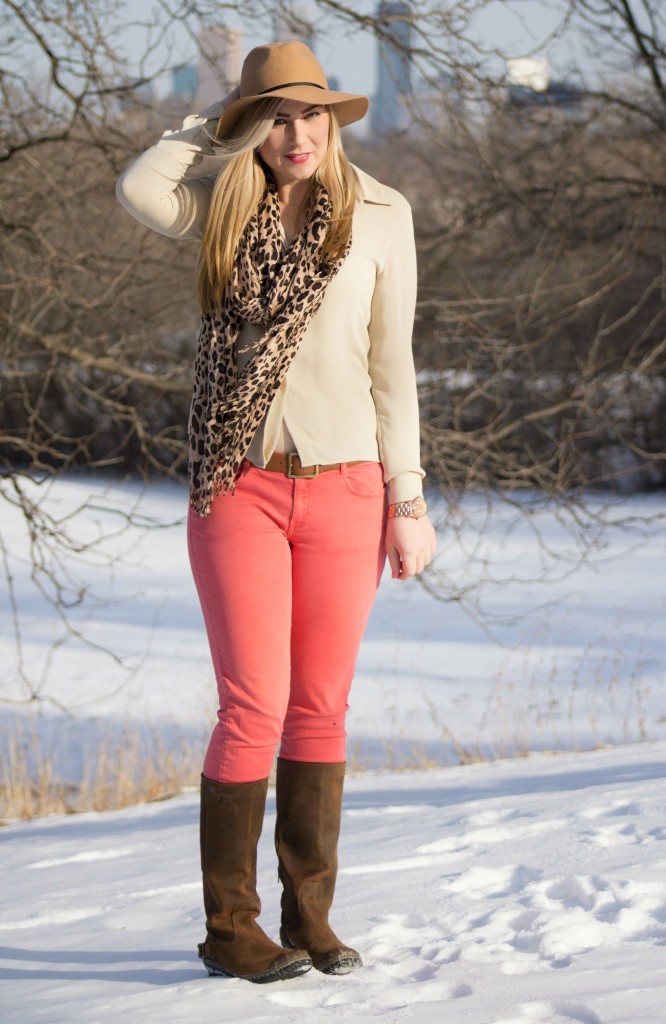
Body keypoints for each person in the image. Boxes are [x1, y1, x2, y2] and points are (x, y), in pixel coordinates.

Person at [116, 40, 436, 984]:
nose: (296, 134)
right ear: (253, 124)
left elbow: (394, 367)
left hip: (348, 486)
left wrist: (407, 500)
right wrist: (212, 122)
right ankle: (232, 929)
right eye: (275, 116)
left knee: (320, 706)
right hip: (239, 482)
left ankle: (311, 922)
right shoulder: (224, 201)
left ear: (333, 119)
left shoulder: (383, 215)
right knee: (253, 703)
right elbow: (139, 188)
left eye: (309, 114)